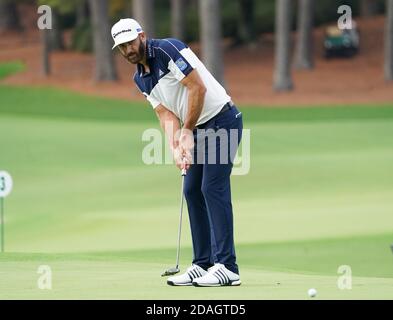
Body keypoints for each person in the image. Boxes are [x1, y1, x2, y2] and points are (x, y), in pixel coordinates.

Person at [111, 18, 243, 287]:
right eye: (122, 47)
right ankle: (202, 263)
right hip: (195, 128)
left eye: (131, 43)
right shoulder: (141, 78)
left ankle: (227, 266)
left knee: (212, 188)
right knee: (192, 190)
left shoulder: (169, 49)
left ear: (142, 36)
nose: (128, 50)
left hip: (222, 120)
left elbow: (197, 87)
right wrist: (176, 146)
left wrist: (187, 130)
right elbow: (164, 114)